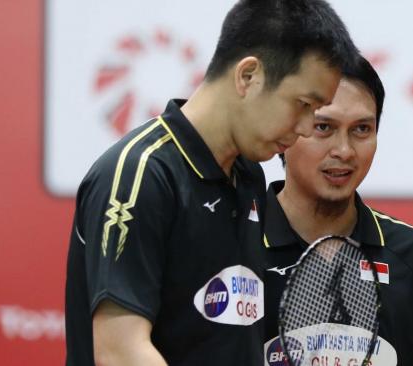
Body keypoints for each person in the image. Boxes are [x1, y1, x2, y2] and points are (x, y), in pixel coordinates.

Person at [64, 1, 359, 365]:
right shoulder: (139, 175)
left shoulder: (249, 175)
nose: (304, 128)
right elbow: (119, 351)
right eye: (302, 104)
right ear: (248, 76)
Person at [262, 57, 413, 365]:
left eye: (361, 129)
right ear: (285, 131)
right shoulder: (229, 243)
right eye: (323, 127)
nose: (344, 150)